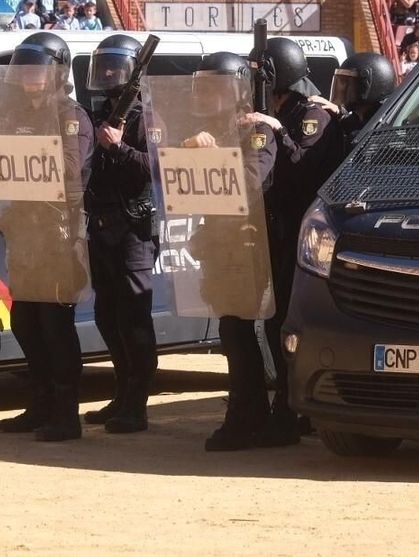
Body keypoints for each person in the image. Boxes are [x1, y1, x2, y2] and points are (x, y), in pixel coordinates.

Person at [0, 32, 94, 442]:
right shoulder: (17, 115)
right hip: (25, 232)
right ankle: (40, 404)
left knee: (55, 325)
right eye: (24, 71)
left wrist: (28, 152)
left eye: (36, 71)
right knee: (25, 321)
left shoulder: (71, 116)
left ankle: (66, 414)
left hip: (58, 233)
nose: (28, 78)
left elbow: (70, 169)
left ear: (56, 73)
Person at [182, 52, 279, 452]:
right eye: (201, 87)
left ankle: (249, 417)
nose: (204, 95)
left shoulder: (256, 129)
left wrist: (211, 156)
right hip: (219, 244)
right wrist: (188, 148)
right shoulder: (210, 130)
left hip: (246, 245)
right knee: (230, 332)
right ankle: (246, 413)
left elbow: (252, 179)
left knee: (240, 333)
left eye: (213, 88)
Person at [243, 36, 337, 446]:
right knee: (271, 321)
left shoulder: (312, 116)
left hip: (302, 237)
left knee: (288, 323)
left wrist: (277, 130)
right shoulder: (271, 112)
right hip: (273, 231)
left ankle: (292, 408)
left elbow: (304, 168)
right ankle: (283, 406)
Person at [80, 35, 159, 434]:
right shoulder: (103, 112)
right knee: (107, 316)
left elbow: (155, 168)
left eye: (116, 66)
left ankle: (137, 404)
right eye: (104, 65)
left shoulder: (146, 117)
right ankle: (121, 393)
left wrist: (116, 148)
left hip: (134, 229)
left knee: (134, 317)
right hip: (102, 225)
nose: (108, 72)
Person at [325, 52, 397, 153]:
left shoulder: (385, 124)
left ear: (365, 86)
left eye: (347, 83)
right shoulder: (356, 118)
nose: (342, 89)